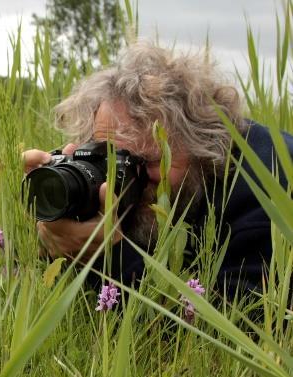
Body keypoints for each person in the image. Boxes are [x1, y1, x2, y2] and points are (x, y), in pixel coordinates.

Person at [22, 41, 293, 297]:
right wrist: (62, 213)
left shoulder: (268, 189)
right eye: (112, 158)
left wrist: (107, 256)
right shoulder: (148, 189)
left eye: (150, 162)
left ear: (204, 144)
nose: (129, 180)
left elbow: (223, 332)